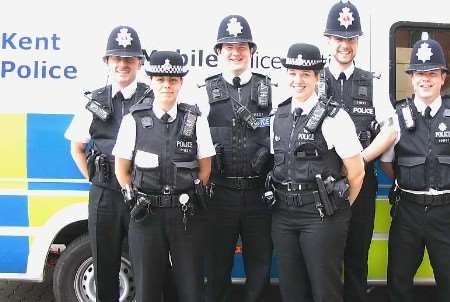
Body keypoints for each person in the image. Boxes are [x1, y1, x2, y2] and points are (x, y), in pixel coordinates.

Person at [113, 50, 215, 302]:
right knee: (147, 289)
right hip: (147, 216)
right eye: (160, 79)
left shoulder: (195, 119)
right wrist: (134, 199)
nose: (167, 85)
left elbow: (206, 167)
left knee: (190, 288)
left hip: (185, 216)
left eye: (172, 80)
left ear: (181, 82)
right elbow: (121, 169)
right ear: (151, 81)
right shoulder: (133, 120)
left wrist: (189, 195)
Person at [270, 42, 365, 302]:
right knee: (291, 291)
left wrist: (338, 210)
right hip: (284, 216)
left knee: (325, 291)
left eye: (305, 74)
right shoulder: (278, 115)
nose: (297, 80)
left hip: (321, 216)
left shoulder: (335, 117)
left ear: (316, 77)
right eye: (292, 73)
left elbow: (356, 172)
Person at [64, 25, 152, 302]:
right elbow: (77, 148)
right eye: (117, 59)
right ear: (107, 62)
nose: (123, 65)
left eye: (129, 59)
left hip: (142, 193)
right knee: (105, 265)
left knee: (147, 266)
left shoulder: (152, 99)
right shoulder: (94, 101)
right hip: (105, 195)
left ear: (139, 62)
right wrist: (94, 179)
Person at [323, 2, 397, 301]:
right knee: (322, 262)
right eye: (339, 39)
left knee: (356, 260)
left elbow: (391, 130)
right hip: (323, 186)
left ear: (358, 42)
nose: (345, 45)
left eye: (351, 39)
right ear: (328, 40)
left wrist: (360, 161)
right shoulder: (315, 80)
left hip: (362, 184)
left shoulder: (372, 83)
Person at [202, 14, 274, 302]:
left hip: (259, 194)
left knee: (260, 267)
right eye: (228, 47)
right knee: (217, 267)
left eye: (242, 46)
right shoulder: (202, 93)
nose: (235, 52)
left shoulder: (272, 88)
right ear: (218, 52)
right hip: (221, 194)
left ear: (252, 52)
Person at [380, 34, 450, 302]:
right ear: (411, 77)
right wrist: (409, 183)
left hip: (446, 213)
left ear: (443, 77)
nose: (426, 79)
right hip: (407, 211)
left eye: (432, 72)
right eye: (419, 73)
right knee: (399, 281)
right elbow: (387, 163)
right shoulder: (397, 117)